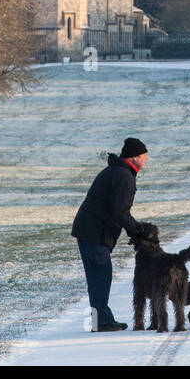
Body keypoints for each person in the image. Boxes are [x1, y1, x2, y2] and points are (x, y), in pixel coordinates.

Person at [71, 137, 150, 332]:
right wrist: (138, 231)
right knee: (100, 276)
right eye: (144, 155)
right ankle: (101, 322)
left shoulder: (119, 171)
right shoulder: (123, 176)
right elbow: (120, 211)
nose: (146, 159)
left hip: (92, 230)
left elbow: (118, 211)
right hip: (94, 232)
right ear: (134, 157)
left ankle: (101, 320)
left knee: (100, 276)